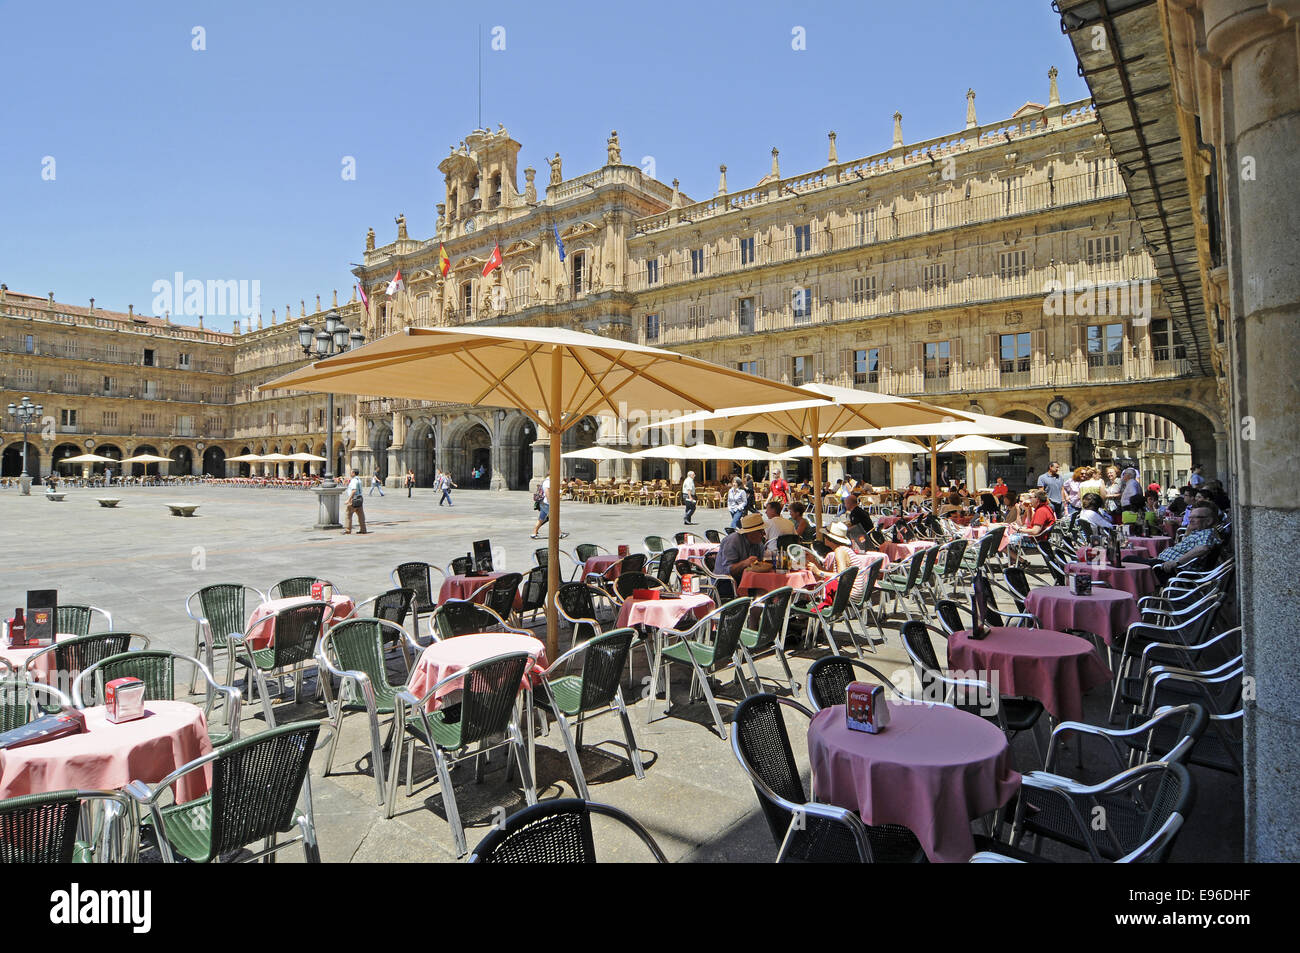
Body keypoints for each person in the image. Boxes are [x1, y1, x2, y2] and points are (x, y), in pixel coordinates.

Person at [1125, 502, 1222, 584]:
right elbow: (1185, 547)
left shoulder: (1208, 533)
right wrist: (1187, 532)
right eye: (1190, 517)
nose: (1190, 520)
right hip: (1164, 564)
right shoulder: (1199, 532)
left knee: (1128, 560)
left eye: (1195, 517)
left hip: (1172, 570)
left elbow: (1203, 548)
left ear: (1209, 521)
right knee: (1129, 560)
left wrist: (1177, 562)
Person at [1007, 488, 1056, 565]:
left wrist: (1019, 529)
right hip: (1039, 538)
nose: (1029, 500)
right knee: (1008, 538)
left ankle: (1018, 562)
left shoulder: (1041, 511)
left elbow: (1035, 531)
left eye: (1031, 498)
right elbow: (1031, 526)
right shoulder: (1044, 508)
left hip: (1035, 540)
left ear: (1037, 499)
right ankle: (1018, 561)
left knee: (1005, 540)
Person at [715, 512, 766, 581]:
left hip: (748, 577)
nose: (764, 534)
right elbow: (728, 570)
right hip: (726, 580)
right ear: (750, 533)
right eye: (761, 531)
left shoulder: (758, 542)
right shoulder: (733, 541)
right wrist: (745, 563)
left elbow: (760, 563)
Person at [343, 468, 368, 534]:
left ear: (353, 473)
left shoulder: (354, 480)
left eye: (351, 472)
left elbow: (354, 490)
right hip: (359, 499)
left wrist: (348, 500)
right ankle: (363, 529)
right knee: (361, 515)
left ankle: (348, 530)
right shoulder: (358, 479)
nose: (350, 474)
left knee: (348, 515)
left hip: (353, 499)